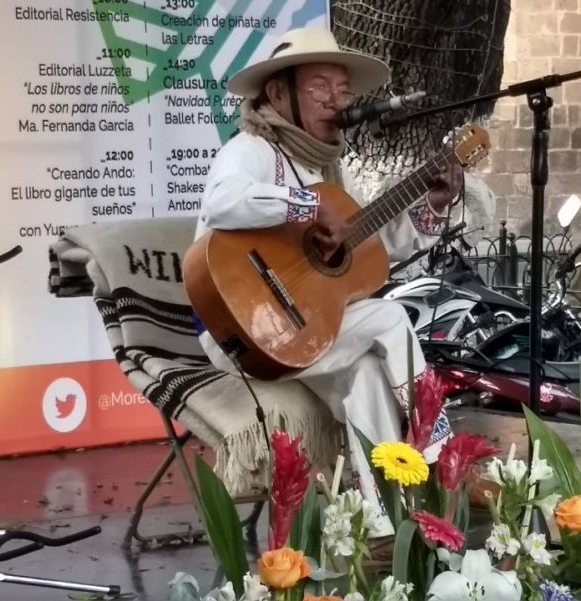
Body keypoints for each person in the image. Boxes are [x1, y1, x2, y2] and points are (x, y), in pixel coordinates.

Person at [190, 27, 462, 541]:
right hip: (242, 330)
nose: (335, 101)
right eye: (320, 87)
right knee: (389, 316)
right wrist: (304, 206)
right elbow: (221, 203)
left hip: (308, 334)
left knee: (366, 380)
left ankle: (385, 528)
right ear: (277, 94)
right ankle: (437, 445)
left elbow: (376, 252)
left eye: (341, 90)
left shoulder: (330, 171)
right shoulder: (251, 149)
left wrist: (433, 205)